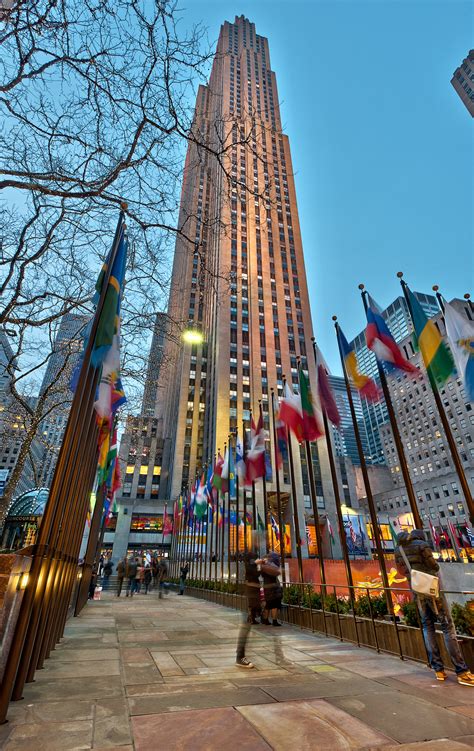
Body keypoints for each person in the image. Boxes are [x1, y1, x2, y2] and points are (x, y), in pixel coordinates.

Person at [396, 530, 474, 687]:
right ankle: (461, 671)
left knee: (427, 626)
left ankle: (438, 669)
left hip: (417, 591)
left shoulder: (399, 550)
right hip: (432, 590)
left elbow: (401, 571)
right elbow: (434, 565)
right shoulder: (422, 545)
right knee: (447, 626)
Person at [236, 540, 261, 669]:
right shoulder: (250, 557)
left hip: (252, 592)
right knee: (245, 624)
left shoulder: (252, 557)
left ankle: (240, 655)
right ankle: (240, 656)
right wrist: (258, 564)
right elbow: (251, 569)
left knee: (247, 624)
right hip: (249, 593)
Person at [259, 552, 283, 627]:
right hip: (273, 587)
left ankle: (265, 620)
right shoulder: (270, 567)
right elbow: (277, 573)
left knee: (268, 604)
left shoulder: (263, 567)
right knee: (275, 605)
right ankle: (274, 621)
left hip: (267, 586)